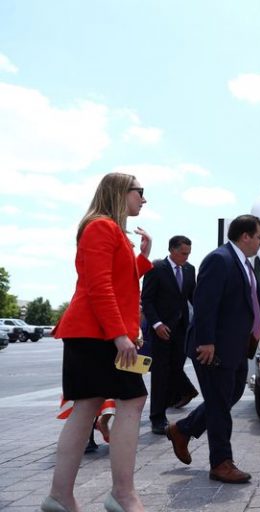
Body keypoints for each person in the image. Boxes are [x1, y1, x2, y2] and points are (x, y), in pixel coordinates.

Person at [43, 172, 152, 512]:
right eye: (139, 191)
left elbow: (117, 280)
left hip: (94, 333)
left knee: (88, 407)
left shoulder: (106, 228)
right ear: (120, 192)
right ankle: (121, 494)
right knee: (130, 400)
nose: (143, 199)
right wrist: (119, 334)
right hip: (97, 334)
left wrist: (142, 258)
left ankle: (61, 496)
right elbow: (99, 286)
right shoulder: (101, 227)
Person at [165, 215, 260, 484]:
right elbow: (205, 303)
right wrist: (206, 341)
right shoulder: (219, 260)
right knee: (220, 404)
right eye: (259, 237)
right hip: (214, 347)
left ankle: (183, 429)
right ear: (245, 236)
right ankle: (221, 463)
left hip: (236, 345)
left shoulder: (243, 263)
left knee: (230, 394)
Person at [141, 235, 198, 435]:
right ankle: (157, 417)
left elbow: (194, 297)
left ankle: (184, 391)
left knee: (175, 369)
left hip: (181, 330)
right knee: (160, 373)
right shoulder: (156, 268)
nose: (186, 257)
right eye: (183, 253)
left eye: (188, 253)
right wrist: (156, 324)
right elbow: (147, 300)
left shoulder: (190, 270)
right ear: (172, 250)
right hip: (161, 331)